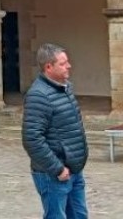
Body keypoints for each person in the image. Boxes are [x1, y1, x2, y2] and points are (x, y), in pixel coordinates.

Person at [21, 43, 88, 219]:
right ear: (48, 67)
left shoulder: (65, 88)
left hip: (73, 168)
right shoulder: (38, 95)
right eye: (63, 63)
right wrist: (57, 168)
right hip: (54, 174)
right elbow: (32, 138)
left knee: (80, 215)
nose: (69, 66)